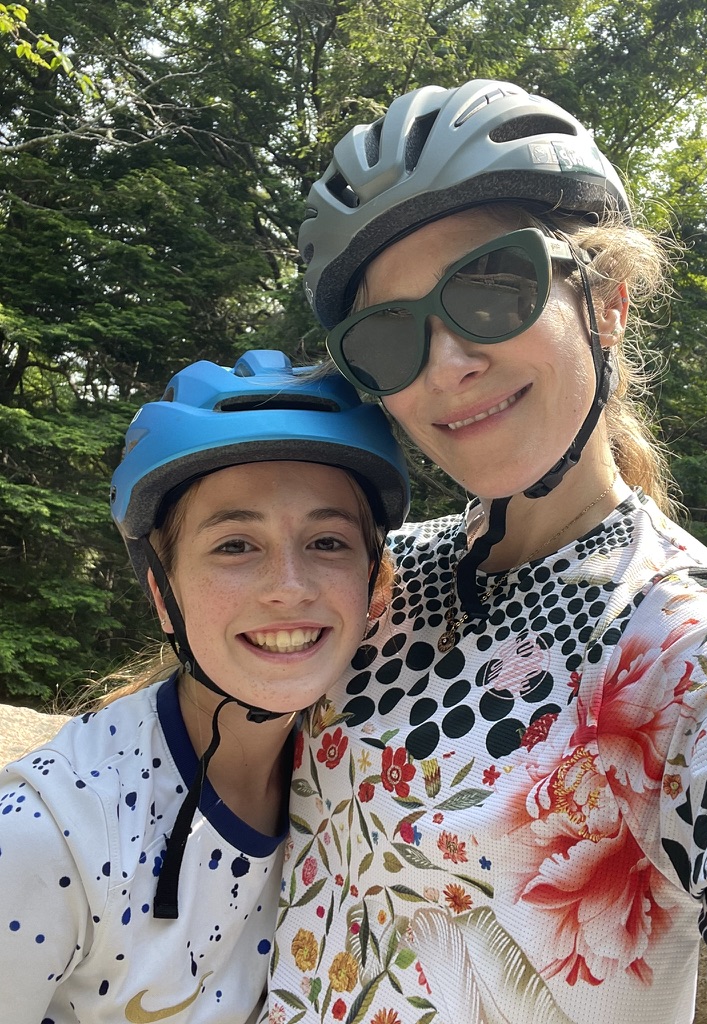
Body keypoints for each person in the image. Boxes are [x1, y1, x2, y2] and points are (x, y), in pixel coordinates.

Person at [264, 81, 707, 1024]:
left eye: (493, 287)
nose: (448, 361)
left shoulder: (697, 649)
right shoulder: (369, 577)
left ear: (607, 303)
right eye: (390, 334)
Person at [0, 348, 409, 1024]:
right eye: (235, 545)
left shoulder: (353, 779)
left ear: (373, 585)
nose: (291, 586)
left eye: (329, 542)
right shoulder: (49, 835)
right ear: (164, 595)